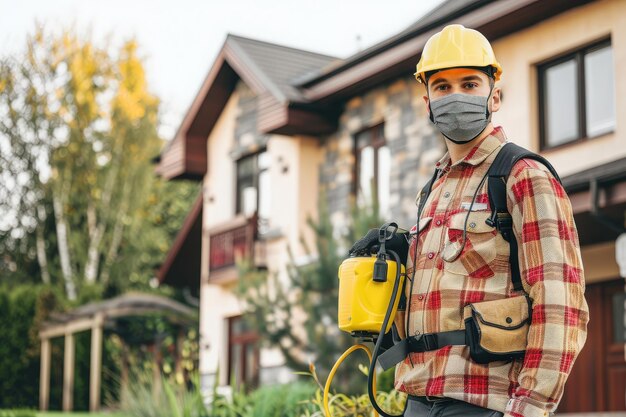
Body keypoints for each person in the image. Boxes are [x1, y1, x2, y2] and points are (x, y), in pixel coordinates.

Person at [393, 24, 589, 417]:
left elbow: (560, 301)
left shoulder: (521, 175)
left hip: (485, 404)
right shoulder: (430, 190)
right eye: (443, 87)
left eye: (469, 83)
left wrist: (529, 407)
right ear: (427, 102)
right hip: (417, 400)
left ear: (494, 95)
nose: (456, 97)